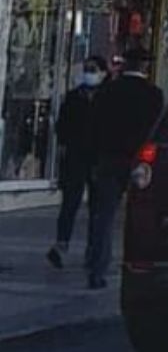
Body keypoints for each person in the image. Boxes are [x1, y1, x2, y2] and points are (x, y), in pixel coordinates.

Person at [85, 48, 164, 290]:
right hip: (141, 162)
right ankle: (140, 264)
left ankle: (97, 268)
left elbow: (94, 126)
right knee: (145, 214)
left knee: (104, 216)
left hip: (109, 158)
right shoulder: (153, 94)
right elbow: (156, 130)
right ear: (145, 67)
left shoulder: (107, 91)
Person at [47, 56, 107, 270]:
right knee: (70, 203)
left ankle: (93, 249)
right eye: (87, 69)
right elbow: (61, 127)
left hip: (99, 158)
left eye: (93, 69)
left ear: (103, 72)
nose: (89, 73)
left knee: (97, 207)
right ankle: (61, 245)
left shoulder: (107, 98)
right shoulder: (73, 98)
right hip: (76, 158)